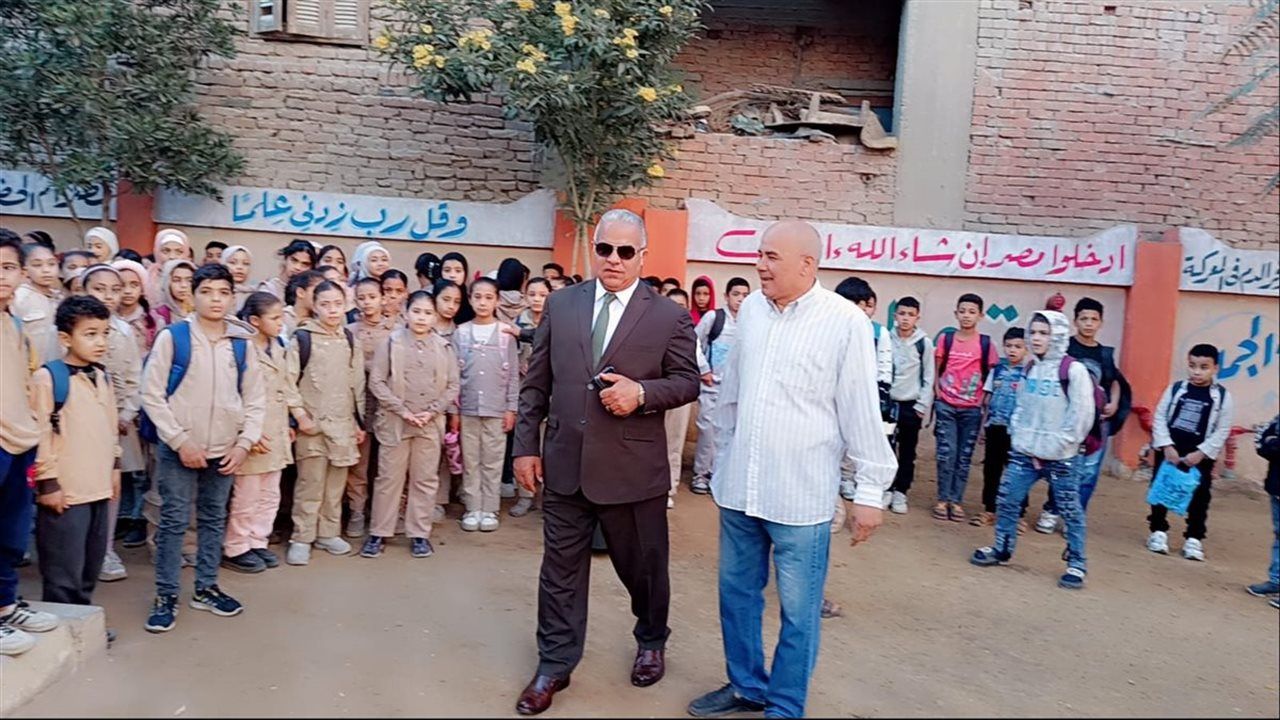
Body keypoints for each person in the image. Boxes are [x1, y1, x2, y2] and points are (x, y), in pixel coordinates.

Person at [687, 220, 896, 719]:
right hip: (741, 489)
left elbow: (860, 409)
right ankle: (746, 686)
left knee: (799, 614)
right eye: (759, 255)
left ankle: (784, 706)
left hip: (801, 499)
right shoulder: (752, 312)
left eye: (771, 257)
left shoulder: (844, 322)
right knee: (737, 597)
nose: (759, 265)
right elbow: (733, 391)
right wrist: (722, 463)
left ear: (807, 264)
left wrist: (870, 492)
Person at [512, 209, 700, 716]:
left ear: (642, 256)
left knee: (644, 569)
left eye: (625, 251)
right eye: (605, 249)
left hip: (632, 472)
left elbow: (687, 381)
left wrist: (642, 393)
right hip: (565, 466)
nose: (613, 259)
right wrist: (526, 446)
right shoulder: (563, 304)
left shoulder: (667, 316)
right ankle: (554, 664)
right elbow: (536, 384)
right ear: (594, 249)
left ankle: (651, 638)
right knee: (559, 573)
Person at [141, 263, 266, 633]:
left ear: (233, 297)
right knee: (174, 520)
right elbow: (152, 394)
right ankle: (166, 594)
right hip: (180, 447)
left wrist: (244, 444)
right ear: (192, 296)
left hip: (225, 449)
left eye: (224, 293)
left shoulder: (242, 344)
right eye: (207, 291)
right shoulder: (173, 338)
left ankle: (206, 587)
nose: (215, 300)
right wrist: (180, 441)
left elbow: (255, 399)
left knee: (213, 518)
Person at [971, 310, 1094, 591]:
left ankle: (1077, 563)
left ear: (1058, 336)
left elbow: (1082, 414)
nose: (1036, 338)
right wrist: (1019, 437)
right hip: (1025, 453)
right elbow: (1021, 407)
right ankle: (1002, 547)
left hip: (1062, 457)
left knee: (1070, 509)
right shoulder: (1030, 369)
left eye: (1044, 333)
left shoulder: (1073, 371)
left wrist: (1062, 444)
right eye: (1034, 332)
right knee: (1007, 500)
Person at [31, 295, 120, 605]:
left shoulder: (103, 376)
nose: (100, 342)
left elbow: (110, 426)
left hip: (98, 487)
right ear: (65, 338)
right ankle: (63, 624)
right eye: (90, 334)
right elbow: (40, 435)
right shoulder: (48, 378)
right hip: (66, 493)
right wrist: (48, 483)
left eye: (105, 333)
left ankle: (84, 622)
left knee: (89, 565)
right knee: (62, 571)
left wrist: (115, 466)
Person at [362, 291, 459, 558]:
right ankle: (379, 532)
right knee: (388, 479)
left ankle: (419, 534)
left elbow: (453, 385)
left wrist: (432, 411)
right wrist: (401, 410)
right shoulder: (391, 343)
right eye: (416, 311)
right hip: (395, 422)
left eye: (428, 313)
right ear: (405, 312)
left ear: (435, 317)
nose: (421, 318)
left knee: (424, 479)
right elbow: (377, 381)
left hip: (429, 424)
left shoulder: (444, 347)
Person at [0, 231, 60, 656]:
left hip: (19, 442)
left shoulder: (16, 326)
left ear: (21, 274)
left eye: (8, 267)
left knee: (10, 533)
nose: (1, 276)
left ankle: (5, 605)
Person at [220, 292, 305, 574]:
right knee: (246, 496)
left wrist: (291, 422)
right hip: (253, 435)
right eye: (275, 318)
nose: (281, 323)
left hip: (276, 432)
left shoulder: (277, 346)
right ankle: (236, 546)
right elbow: (231, 396)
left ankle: (258, 540)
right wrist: (246, 433)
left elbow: (285, 387)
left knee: (270, 494)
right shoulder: (239, 350)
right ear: (255, 321)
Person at [286, 281, 364, 565]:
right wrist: (300, 416)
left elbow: (357, 384)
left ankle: (328, 533)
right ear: (315, 307)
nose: (332, 310)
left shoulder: (349, 339)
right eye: (325, 304)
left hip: (343, 426)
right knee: (310, 483)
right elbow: (288, 381)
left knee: (335, 485)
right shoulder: (303, 339)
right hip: (313, 426)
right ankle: (302, 537)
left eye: (337, 304)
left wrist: (358, 422)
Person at [1037, 297, 1126, 533]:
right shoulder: (1065, 349)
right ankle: (1051, 510)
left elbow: (1114, 381)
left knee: (1089, 471)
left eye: (1094, 319)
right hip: (1067, 420)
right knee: (1062, 466)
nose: (1089, 323)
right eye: (1084, 318)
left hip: (1097, 423)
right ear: (1075, 321)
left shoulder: (1104, 354)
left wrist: (1114, 402)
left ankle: (1074, 517)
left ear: (1101, 323)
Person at [80, 265, 142, 583]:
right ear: (83, 290)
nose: (108, 296)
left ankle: (104, 550)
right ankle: (78, 550)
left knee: (112, 486)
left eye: (114, 290)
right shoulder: (65, 326)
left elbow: (134, 378)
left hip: (115, 424)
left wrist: (126, 414)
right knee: (79, 486)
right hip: (76, 424)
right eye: (99, 288)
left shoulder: (124, 332)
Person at [1145, 343, 1234, 561]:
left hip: (1199, 455)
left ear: (1215, 368)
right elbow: (1160, 417)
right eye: (1192, 366)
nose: (1197, 372)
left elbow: (1222, 429)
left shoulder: (1222, 397)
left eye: (1204, 367)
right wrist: (1167, 446)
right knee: (1162, 489)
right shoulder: (1176, 389)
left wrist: (1201, 453)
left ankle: (1194, 538)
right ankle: (1158, 531)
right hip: (1170, 452)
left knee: (1200, 495)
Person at [456, 278, 519, 533]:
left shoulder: (506, 334)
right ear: (470, 299)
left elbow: (513, 375)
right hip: (468, 408)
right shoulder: (461, 333)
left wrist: (511, 408)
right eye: (478, 297)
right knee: (471, 460)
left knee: (493, 460)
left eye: (488, 297)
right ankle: (473, 507)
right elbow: (453, 375)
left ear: (497, 300)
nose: (483, 303)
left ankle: (490, 509)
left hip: (496, 408)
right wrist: (454, 410)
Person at [932, 293, 999, 522]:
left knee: (964, 457)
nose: (966, 316)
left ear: (980, 315)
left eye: (972, 312)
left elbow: (991, 377)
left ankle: (956, 501)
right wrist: (937, 391)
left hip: (972, 409)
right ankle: (942, 499)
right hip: (946, 406)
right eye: (962, 311)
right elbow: (937, 367)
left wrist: (984, 405)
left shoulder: (986, 344)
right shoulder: (947, 339)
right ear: (956, 314)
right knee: (946, 454)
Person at [690, 277, 750, 496]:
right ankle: (701, 474)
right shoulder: (714, 317)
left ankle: (720, 476)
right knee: (708, 431)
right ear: (726, 296)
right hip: (711, 385)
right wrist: (703, 369)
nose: (740, 299)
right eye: (736, 294)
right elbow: (692, 342)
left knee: (730, 433)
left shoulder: (750, 321)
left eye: (745, 295)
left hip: (737, 388)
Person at [343, 277, 391, 539]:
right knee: (358, 465)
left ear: (383, 298)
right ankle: (357, 511)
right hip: (359, 406)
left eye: (372, 296)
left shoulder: (397, 330)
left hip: (387, 406)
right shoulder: (348, 330)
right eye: (361, 298)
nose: (367, 302)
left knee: (386, 465)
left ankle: (384, 513)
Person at [972, 327, 1028, 528]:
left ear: (1026, 349)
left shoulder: (1029, 374)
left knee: (1018, 472)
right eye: (1009, 346)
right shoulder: (996, 371)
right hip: (995, 427)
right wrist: (983, 427)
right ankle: (990, 510)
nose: (1013, 350)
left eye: (1018, 346)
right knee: (991, 470)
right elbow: (987, 401)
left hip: (1017, 432)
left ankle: (1018, 515)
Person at [884, 296, 933, 515]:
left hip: (910, 407)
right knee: (886, 448)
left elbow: (929, 376)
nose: (905, 319)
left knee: (907, 451)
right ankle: (886, 489)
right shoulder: (887, 339)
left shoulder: (924, 343)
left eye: (910, 315)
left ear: (917, 317)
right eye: (902, 314)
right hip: (889, 406)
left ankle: (901, 492)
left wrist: (921, 405)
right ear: (895, 315)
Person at [508, 277, 551, 518]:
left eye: (542, 295)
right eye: (532, 294)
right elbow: (508, 357)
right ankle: (525, 496)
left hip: (550, 396)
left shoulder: (556, 320)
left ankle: (546, 499)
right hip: (525, 394)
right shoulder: (517, 322)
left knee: (548, 449)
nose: (537, 299)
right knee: (525, 445)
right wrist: (520, 366)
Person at [662, 289, 700, 508]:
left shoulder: (689, 333)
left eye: (681, 306)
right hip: (655, 392)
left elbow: (697, 363)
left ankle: (669, 487)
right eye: (672, 305)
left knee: (674, 441)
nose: (677, 310)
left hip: (679, 396)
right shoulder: (652, 329)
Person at [1246, 415, 1280, 605]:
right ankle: (1276, 580)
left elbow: (1270, 442)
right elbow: (1261, 441)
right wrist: (1272, 443)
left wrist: (1273, 442)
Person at [15, 241, 64, 364]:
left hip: (59, 367)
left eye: (51, 264)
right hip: (30, 366)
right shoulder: (19, 298)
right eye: (37, 265)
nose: (46, 270)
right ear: (24, 270)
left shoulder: (60, 299)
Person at [151, 259, 196, 329]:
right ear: (167, 283)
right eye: (176, 280)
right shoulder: (158, 315)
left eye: (189, 280)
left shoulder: (203, 311)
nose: (183, 285)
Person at [148, 229, 191, 300]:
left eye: (179, 252)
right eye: (166, 251)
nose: (172, 257)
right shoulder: (146, 277)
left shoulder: (193, 277)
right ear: (157, 252)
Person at [283, 269, 326, 339]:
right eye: (317, 291)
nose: (322, 296)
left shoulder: (323, 318)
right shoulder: (283, 318)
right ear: (300, 293)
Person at [441, 252, 475, 324]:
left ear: (465, 273)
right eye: (447, 270)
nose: (452, 275)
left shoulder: (471, 303)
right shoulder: (432, 299)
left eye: (458, 271)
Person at [219, 245, 254, 311]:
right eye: (233, 262)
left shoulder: (254, 295)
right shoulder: (216, 292)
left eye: (246, 263)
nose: (240, 267)